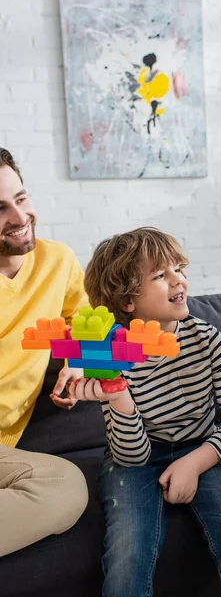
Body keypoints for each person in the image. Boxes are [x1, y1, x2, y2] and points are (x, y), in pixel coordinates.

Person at [67, 227, 221, 597]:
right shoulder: (112, 357)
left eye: (179, 268)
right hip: (135, 460)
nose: (179, 279)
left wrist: (194, 463)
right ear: (128, 302)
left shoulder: (207, 339)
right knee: (128, 554)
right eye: (161, 275)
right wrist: (117, 397)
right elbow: (133, 455)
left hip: (204, 448)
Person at [0, 148, 88, 556]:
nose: (19, 219)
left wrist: (74, 361)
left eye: (21, 198)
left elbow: (85, 321)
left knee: (65, 488)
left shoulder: (57, 261)